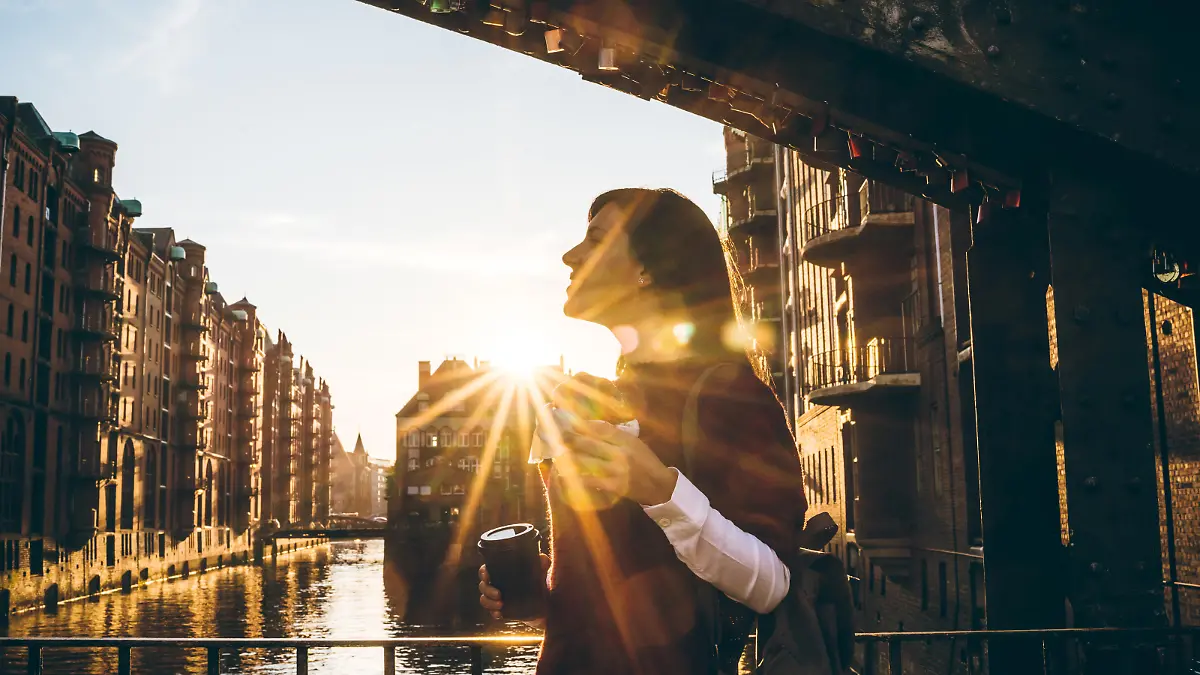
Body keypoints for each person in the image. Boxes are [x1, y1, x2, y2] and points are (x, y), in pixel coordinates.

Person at [478, 188, 807, 675]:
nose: (570, 256)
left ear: (647, 268)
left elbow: (773, 583)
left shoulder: (729, 394)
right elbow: (613, 590)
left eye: (595, 239)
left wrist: (659, 489)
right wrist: (542, 589)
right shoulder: (592, 400)